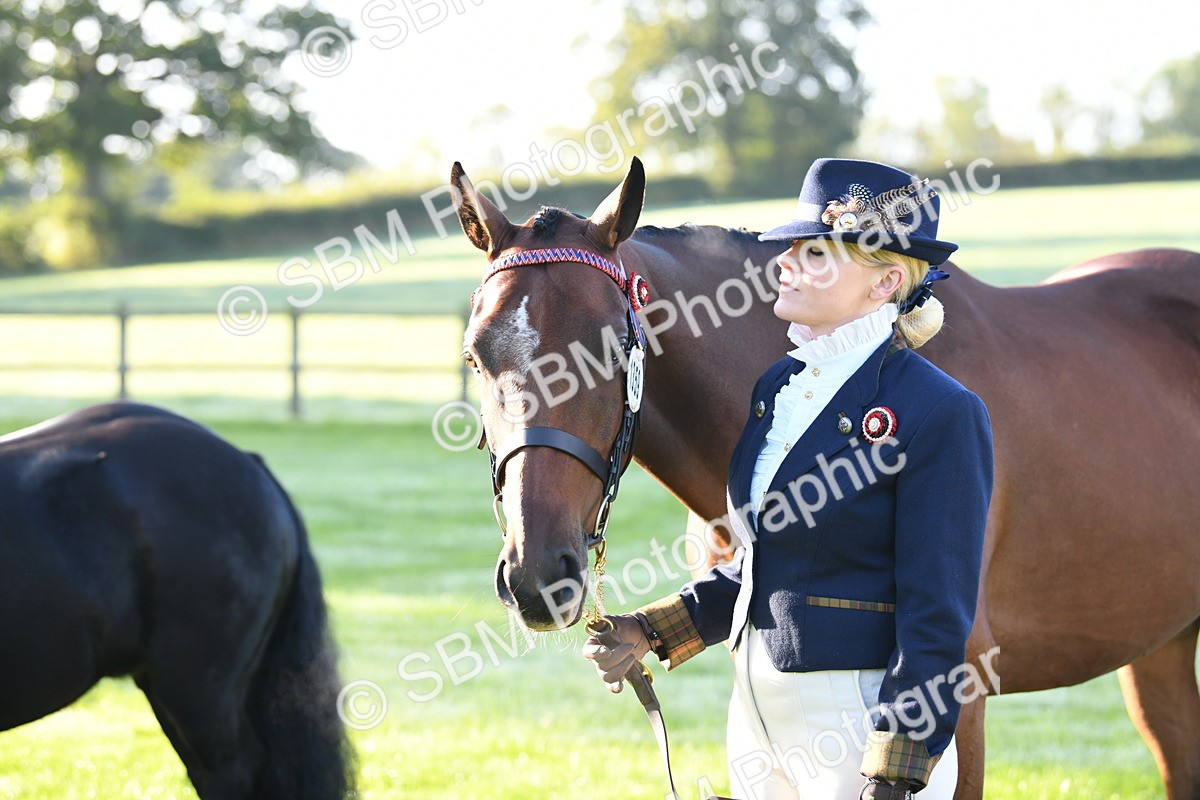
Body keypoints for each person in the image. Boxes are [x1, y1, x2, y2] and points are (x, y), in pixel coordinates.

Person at [582, 158, 994, 800]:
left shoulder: (941, 411)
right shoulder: (779, 387)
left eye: (817, 252)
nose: (786, 264)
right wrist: (653, 629)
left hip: (858, 725)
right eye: (793, 248)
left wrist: (896, 769)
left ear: (885, 282)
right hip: (754, 711)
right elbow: (770, 560)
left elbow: (936, 615)